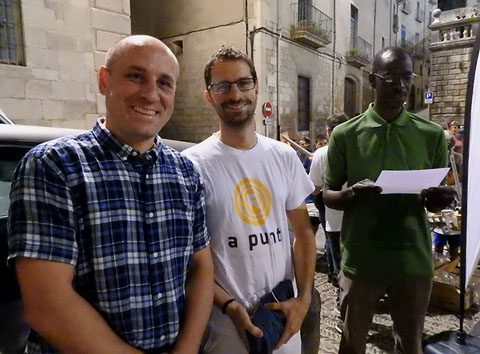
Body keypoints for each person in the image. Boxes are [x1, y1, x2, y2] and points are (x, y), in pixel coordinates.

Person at [8, 35, 214, 354]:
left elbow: (200, 267)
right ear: (105, 81)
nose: (150, 94)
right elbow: (48, 305)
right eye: (135, 76)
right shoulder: (53, 166)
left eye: (164, 83)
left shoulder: (186, 173)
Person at [183, 46, 317, 354]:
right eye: (222, 86)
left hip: (282, 319)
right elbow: (189, 258)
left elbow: (303, 232)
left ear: (256, 88)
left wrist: (304, 298)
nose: (235, 94)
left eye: (243, 82)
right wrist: (229, 307)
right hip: (225, 328)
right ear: (209, 96)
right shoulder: (191, 165)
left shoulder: (283, 157)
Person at [323, 47, 455, 354]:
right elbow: (328, 195)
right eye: (391, 76)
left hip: (413, 260)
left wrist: (441, 199)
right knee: (352, 343)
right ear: (372, 80)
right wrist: (352, 194)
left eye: (406, 76)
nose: (400, 85)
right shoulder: (345, 135)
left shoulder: (431, 135)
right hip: (361, 260)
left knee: (410, 345)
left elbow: (432, 202)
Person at [309, 113, 348, 292]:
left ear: (328, 132)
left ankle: (338, 287)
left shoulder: (322, 153)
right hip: (358, 215)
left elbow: (315, 188)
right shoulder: (362, 150)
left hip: (333, 214)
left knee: (337, 255)